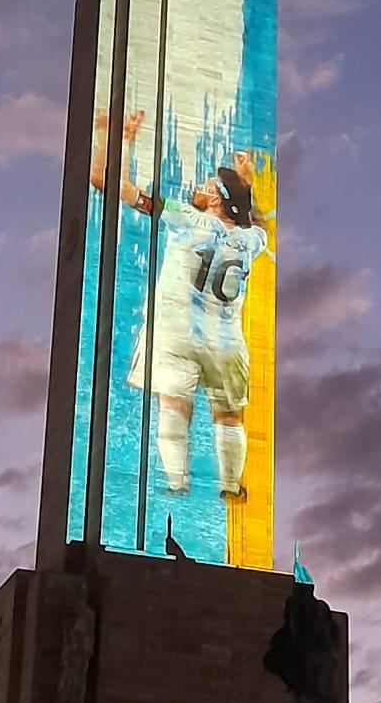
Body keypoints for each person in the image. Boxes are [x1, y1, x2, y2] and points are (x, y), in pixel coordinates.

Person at [90, 108, 267, 500]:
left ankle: (176, 483)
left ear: (215, 201)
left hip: (177, 331)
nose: (198, 187)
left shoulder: (187, 217)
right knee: (229, 417)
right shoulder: (252, 241)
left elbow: (105, 181)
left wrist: (116, 138)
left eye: (206, 186)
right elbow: (252, 220)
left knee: (174, 407)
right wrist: (246, 182)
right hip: (226, 342)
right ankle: (228, 486)